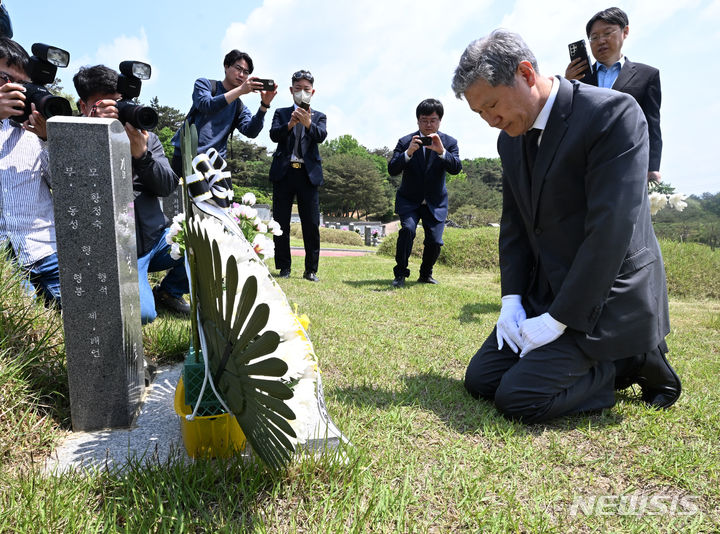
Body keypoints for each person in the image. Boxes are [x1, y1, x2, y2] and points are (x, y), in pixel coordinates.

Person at [451, 29, 681, 424]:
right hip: (547, 292)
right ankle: (601, 355)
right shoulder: (510, 139)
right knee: (481, 381)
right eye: (479, 113)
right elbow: (516, 227)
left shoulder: (612, 115)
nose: (490, 121)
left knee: (518, 400)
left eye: (492, 105)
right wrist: (512, 301)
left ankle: (629, 359)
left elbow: (611, 230)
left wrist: (560, 319)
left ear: (525, 73)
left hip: (607, 297)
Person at [73, 65, 189, 323]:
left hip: (155, 240)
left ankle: (169, 291)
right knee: (143, 315)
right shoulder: (74, 137)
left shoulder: (147, 138)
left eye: (119, 102)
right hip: (117, 250)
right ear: (84, 106)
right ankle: (139, 287)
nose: (116, 110)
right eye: (105, 104)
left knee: (203, 246)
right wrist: (93, 132)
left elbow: (168, 185)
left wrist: (142, 155)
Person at [565, 7, 662, 183]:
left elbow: (652, 124)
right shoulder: (578, 78)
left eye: (607, 33)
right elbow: (565, 118)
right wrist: (566, 85)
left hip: (628, 163)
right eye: (594, 37)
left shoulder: (647, 75)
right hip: (586, 165)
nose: (601, 41)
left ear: (625, 31)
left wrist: (653, 167)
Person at [0, 37, 60, 307]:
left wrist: (50, 139)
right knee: (19, 317)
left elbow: (64, 184)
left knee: (89, 312)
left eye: (23, 84)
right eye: (5, 78)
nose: (17, 91)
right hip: (4, 255)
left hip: (45, 247)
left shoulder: (35, 130)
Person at [388, 98, 462, 288]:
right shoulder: (406, 141)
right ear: (418, 120)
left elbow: (456, 168)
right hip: (409, 200)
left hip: (435, 202)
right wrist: (408, 153)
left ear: (440, 121)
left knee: (435, 241)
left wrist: (442, 152)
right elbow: (392, 169)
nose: (429, 125)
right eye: (424, 120)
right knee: (407, 231)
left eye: (433, 120)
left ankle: (425, 274)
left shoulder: (449, 142)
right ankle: (400, 274)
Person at [169, 49, 276, 176]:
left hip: (214, 164)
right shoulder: (205, 84)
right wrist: (240, 91)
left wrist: (264, 106)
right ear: (226, 66)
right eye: (238, 68)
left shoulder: (239, 107)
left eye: (246, 72)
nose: (241, 75)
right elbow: (206, 105)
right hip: (186, 157)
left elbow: (251, 132)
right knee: (180, 195)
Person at [268, 70, 327, 282]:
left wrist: (308, 123)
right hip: (284, 173)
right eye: (298, 88)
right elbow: (274, 134)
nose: (302, 92)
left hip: (308, 174)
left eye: (306, 89)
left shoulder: (319, 116)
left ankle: (311, 270)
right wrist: (291, 124)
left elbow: (321, 136)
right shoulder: (281, 113)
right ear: (291, 90)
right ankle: (284, 267)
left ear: (313, 91)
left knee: (310, 223)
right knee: (280, 222)